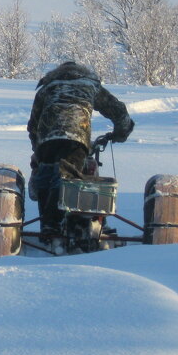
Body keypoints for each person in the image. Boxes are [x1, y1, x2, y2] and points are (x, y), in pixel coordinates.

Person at [26, 61, 134, 235]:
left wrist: (37, 149)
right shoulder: (89, 85)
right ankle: (57, 224)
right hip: (75, 137)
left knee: (46, 175)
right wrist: (121, 133)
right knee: (66, 177)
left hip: (47, 140)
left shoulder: (47, 88)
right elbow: (118, 111)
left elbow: (33, 125)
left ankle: (48, 224)